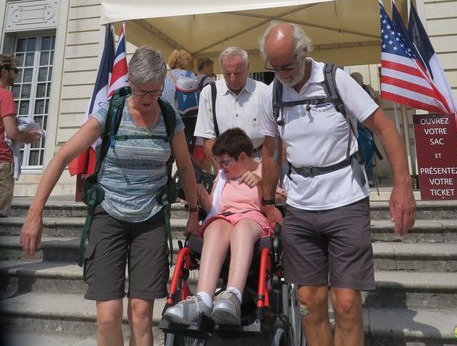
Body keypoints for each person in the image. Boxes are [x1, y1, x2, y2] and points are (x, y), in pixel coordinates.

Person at [20, 46, 199, 346]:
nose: (148, 100)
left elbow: (185, 166)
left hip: (151, 220)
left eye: (155, 92)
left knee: (142, 314)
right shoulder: (109, 111)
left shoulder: (169, 117)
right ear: (129, 82)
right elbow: (62, 157)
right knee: (108, 317)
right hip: (109, 217)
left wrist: (194, 212)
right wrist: (34, 214)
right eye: (142, 92)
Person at [258, 22, 416, 346]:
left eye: (287, 65)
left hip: (345, 201)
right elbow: (272, 151)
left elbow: (385, 128)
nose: (282, 74)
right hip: (300, 207)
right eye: (274, 68)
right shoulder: (272, 93)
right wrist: (267, 203)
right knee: (308, 302)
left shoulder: (335, 79)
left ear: (304, 51)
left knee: (345, 304)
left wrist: (403, 187)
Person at [164, 127, 272, 326]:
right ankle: (203, 299)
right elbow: (214, 208)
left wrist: (262, 183)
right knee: (214, 227)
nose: (221, 168)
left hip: (252, 218)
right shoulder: (222, 178)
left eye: (224, 162)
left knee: (242, 227)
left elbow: (281, 199)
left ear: (242, 158)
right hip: (224, 218)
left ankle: (233, 295)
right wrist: (201, 195)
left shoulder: (263, 170)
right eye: (219, 163)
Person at [194, 47, 268, 172]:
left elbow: (275, 140)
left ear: (248, 67)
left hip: (258, 162)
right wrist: (222, 170)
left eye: (237, 73)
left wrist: (260, 170)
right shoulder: (209, 93)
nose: (232, 78)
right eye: (227, 74)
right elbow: (207, 139)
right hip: (224, 165)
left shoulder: (264, 92)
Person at [0, 55, 38, 217]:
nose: (16, 74)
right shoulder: (5, 95)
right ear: (4, 71)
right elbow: (12, 132)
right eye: (15, 70)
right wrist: (28, 136)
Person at [163, 49, 199, 154]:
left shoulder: (166, 76)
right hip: (190, 117)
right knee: (187, 151)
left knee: (169, 152)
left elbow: (164, 96)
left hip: (171, 117)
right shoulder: (191, 75)